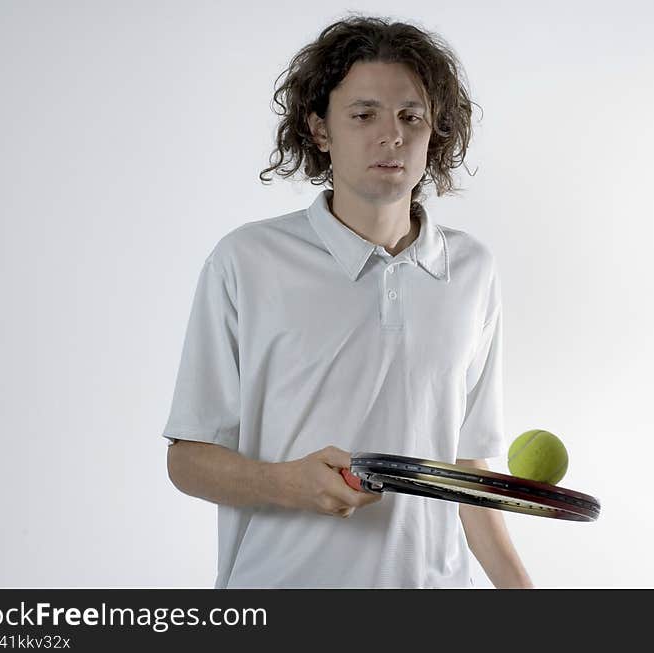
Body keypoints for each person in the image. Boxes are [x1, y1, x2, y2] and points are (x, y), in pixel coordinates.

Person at [162, 14, 533, 589]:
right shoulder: (247, 260)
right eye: (364, 115)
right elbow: (187, 459)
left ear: (435, 131)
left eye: (412, 116)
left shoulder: (473, 270)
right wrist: (288, 483)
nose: (392, 135)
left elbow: (467, 467)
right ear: (319, 130)